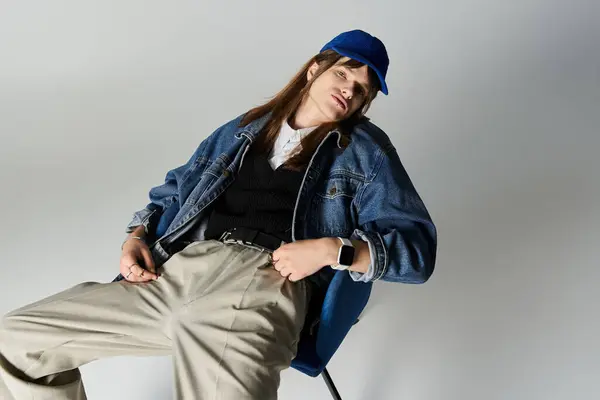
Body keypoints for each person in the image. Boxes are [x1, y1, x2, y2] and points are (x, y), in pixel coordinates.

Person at [0, 29, 437, 399]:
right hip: (177, 274)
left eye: (362, 89)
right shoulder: (243, 128)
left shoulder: (365, 151)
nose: (349, 89)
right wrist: (135, 235)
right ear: (314, 70)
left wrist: (331, 250)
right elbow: (174, 189)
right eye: (343, 73)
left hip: (265, 282)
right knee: (16, 343)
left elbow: (417, 253)